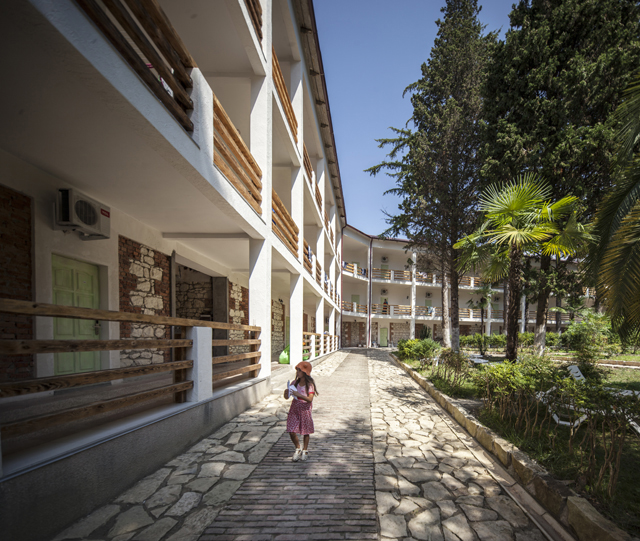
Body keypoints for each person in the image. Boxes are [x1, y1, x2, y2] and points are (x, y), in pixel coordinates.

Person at [284, 361, 318, 461]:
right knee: (291, 429)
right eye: (297, 370)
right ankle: (298, 447)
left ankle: (305, 449)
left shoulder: (309, 385)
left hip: (305, 410)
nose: (298, 372)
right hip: (294, 408)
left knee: (305, 430)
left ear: (305, 373)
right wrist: (286, 393)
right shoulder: (294, 383)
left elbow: (310, 399)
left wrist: (298, 394)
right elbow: (287, 397)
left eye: (300, 370)